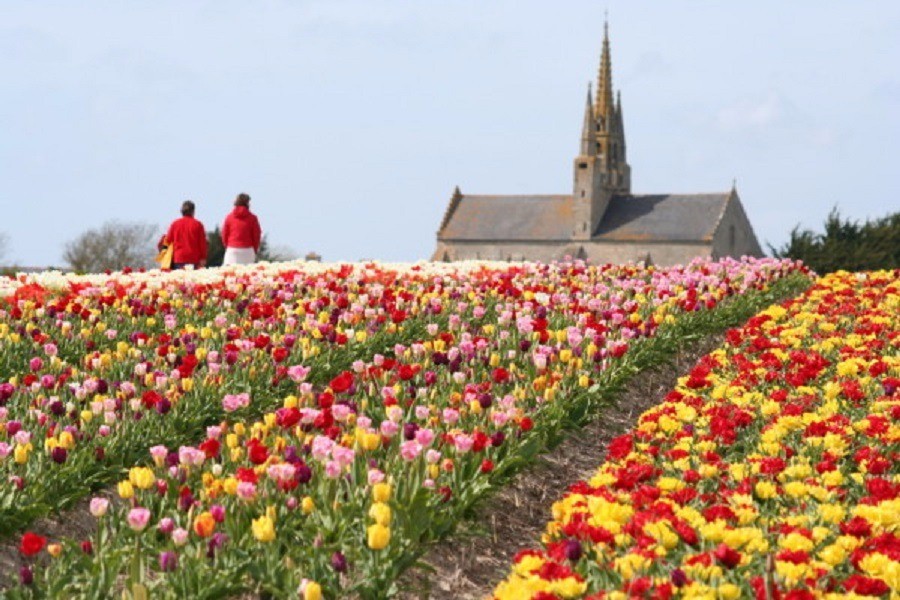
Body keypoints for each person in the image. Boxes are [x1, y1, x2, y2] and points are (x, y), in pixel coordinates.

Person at [159, 200, 208, 269]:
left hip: (179, 258)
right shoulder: (198, 225)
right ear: (193, 211)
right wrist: (203, 257)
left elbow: (167, 241)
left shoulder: (175, 224)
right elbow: (202, 244)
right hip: (194, 259)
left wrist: (163, 255)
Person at [221, 193, 262, 265]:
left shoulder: (229, 217)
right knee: (247, 271)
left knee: (229, 271)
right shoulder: (253, 218)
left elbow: (224, 234)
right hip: (248, 249)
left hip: (232, 249)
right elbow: (256, 235)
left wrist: (228, 246)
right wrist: (254, 249)